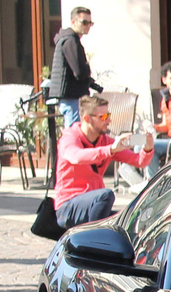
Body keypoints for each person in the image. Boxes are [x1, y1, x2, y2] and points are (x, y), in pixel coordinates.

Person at [54, 95, 152, 230]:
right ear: (87, 118)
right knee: (105, 195)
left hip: (94, 205)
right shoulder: (70, 137)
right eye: (103, 117)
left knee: (132, 220)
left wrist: (148, 147)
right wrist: (110, 150)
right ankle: (92, 242)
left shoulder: (105, 141)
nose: (109, 121)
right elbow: (76, 157)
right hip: (68, 207)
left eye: (109, 115)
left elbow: (139, 161)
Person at [49, 7, 102, 126]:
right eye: (84, 22)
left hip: (69, 97)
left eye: (90, 23)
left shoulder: (67, 39)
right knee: (74, 135)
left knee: (74, 133)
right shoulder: (71, 41)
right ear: (73, 22)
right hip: (72, 97)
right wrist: (87, 67)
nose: (87, 26)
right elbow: (79, 72)